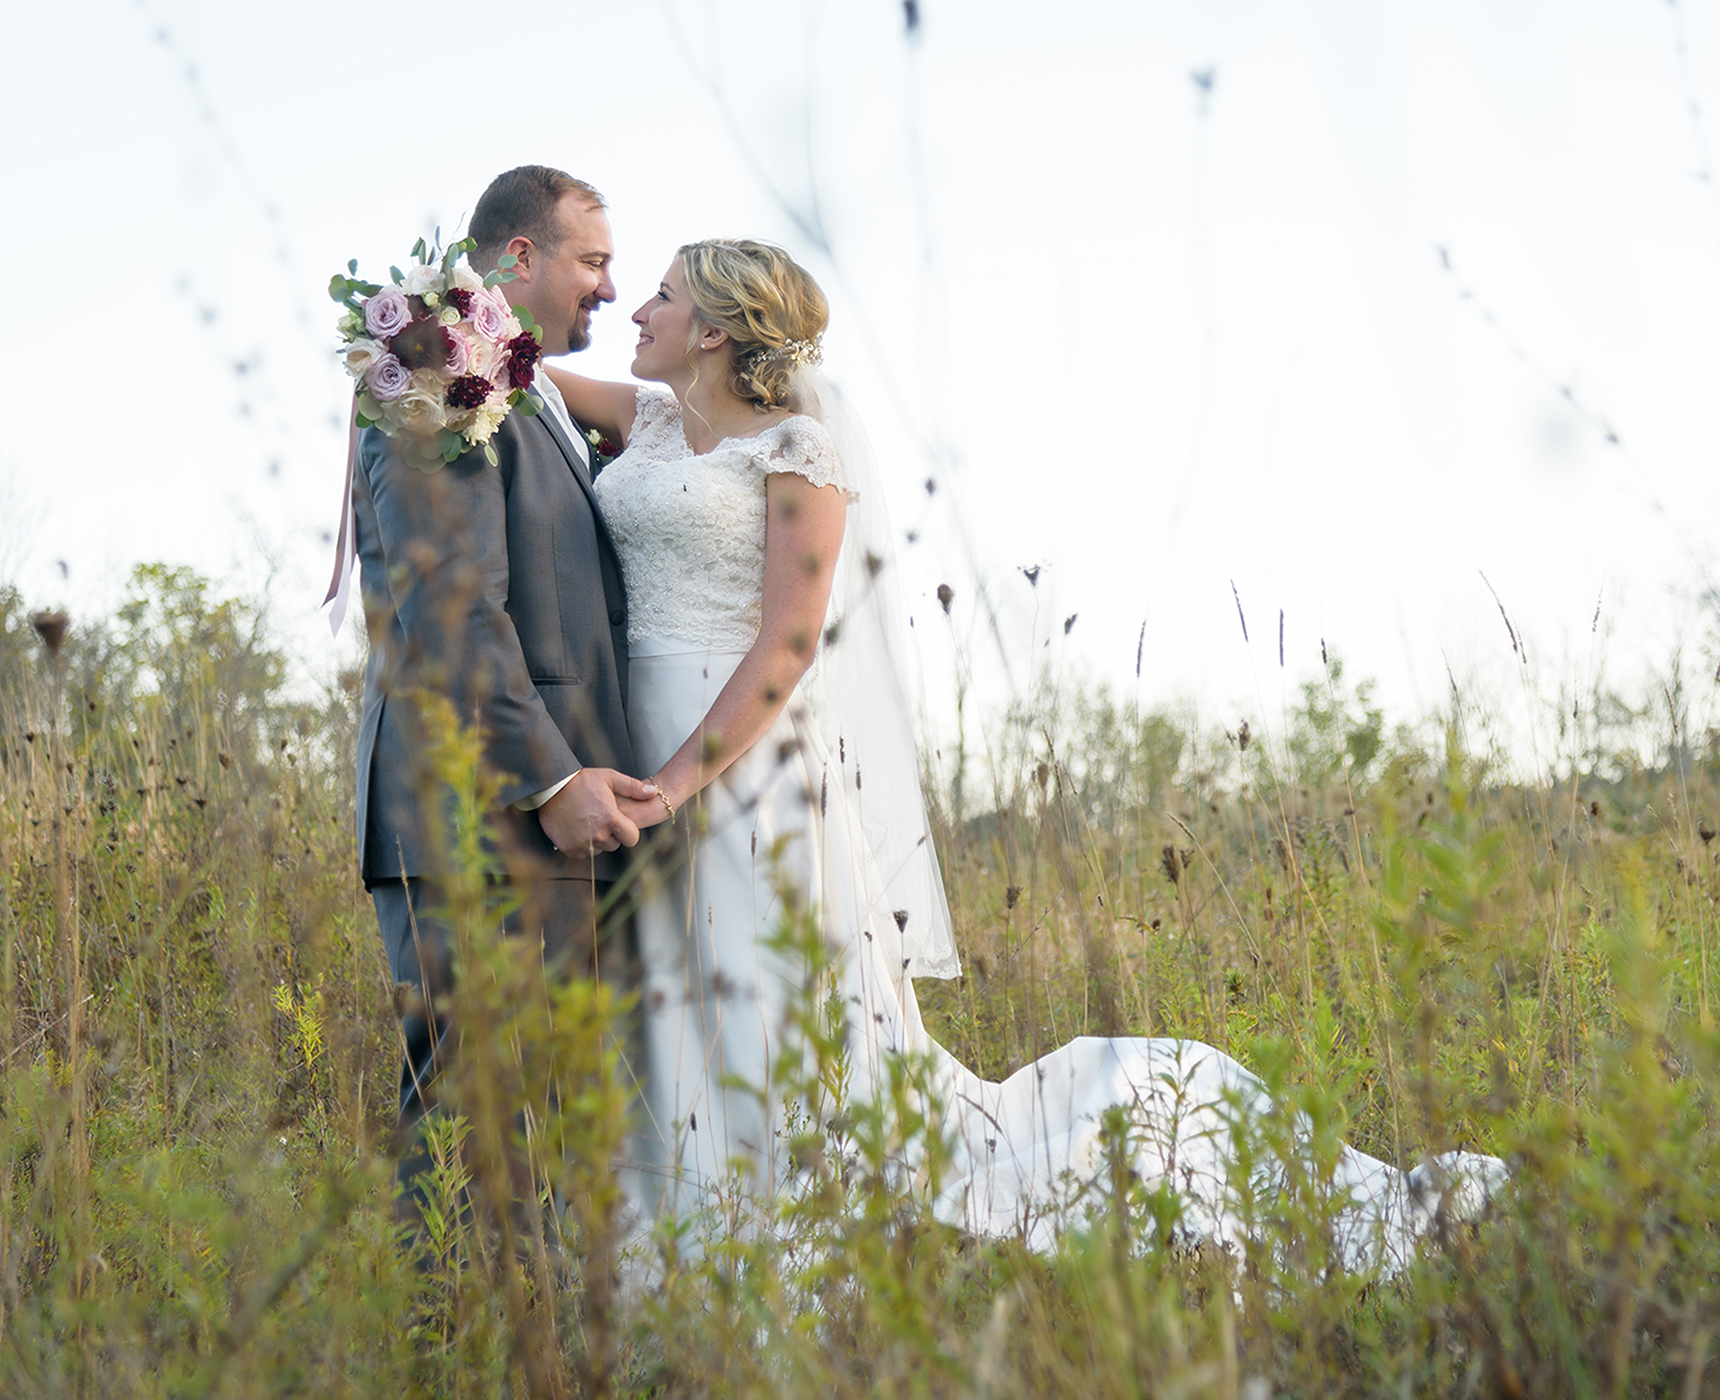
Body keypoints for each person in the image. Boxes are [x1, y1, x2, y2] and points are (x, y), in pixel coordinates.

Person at [547, 238, 1504, 1275]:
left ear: (717, 328)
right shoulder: (638, 416)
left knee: (754, 986)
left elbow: (789, 640)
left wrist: (681, 781)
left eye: (661, 294)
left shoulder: (794, 448)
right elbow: (503, 366)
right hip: (631, 738)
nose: (635, 308)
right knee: (663, 989)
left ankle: (787, 1230)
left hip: (743, 767)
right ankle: (664, 1225)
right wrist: (426, 321)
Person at [351, 165, 662, 1218]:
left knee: (532, 1134)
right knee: (467, 1125)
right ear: (520, 257)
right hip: (473, 811)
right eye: (594, 261)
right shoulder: (440, 358)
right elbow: (450, 610)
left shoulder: (523, 387)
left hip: (535, 822)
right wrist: (550, 777)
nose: (610, 290)